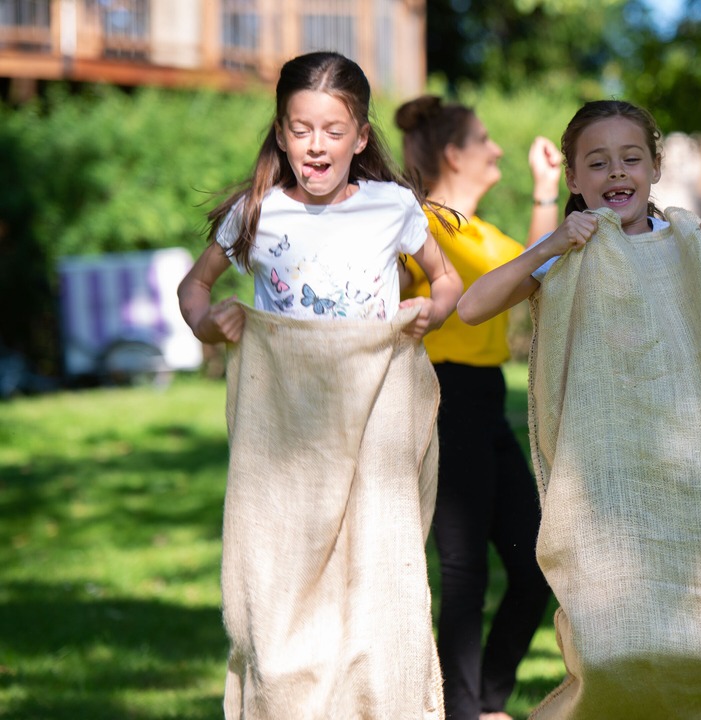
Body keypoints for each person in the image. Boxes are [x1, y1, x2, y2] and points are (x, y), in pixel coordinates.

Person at [457, 100, 701, 718]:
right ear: (574, 180)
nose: (617, 173)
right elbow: (473, 307)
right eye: (598, 162)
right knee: (610, 639)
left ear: (655, 167)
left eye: (631, 159)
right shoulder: (568, 248)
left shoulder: (688, 242)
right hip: (604, 470)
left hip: (689, 466)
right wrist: (547, 246)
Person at [176, 51, 462, 718]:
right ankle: (288, 697)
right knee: (285, 579)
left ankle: (374, 697)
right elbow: (195, 286)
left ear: (360, 137)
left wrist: (430, 312)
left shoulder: (391, 205)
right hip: (287, 430)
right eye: (301, 129)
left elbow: (444, 279)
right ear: (281, 132)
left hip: (373, 419)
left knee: (374, 569)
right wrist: (209, 326)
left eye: (333, 130)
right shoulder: (258, 213)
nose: (316, 144)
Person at [394, 94, 555, 720]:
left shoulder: (481, 231)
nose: (497, 149)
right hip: (442, 394)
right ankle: (463, 713)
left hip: (487, 398)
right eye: (484, 138)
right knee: (464, 571)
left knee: (533, 564)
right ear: (454, 153)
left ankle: (480, 704)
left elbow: (532, 269)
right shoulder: (417, 222)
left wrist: (548, 186)